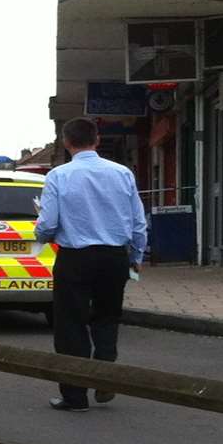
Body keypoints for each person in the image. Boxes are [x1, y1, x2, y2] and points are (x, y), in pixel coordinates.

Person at [35, 117, 147, 411]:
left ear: (66, 142)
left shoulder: (58, 176)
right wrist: (135, 258)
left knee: (71, 324)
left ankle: (75, 395)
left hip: (75, 257)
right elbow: (138, 222)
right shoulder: (123, 173)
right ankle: (105, 376)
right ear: (96, 140)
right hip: (114, 257)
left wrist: (42, 235)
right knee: (107, 318)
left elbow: (47, 224)